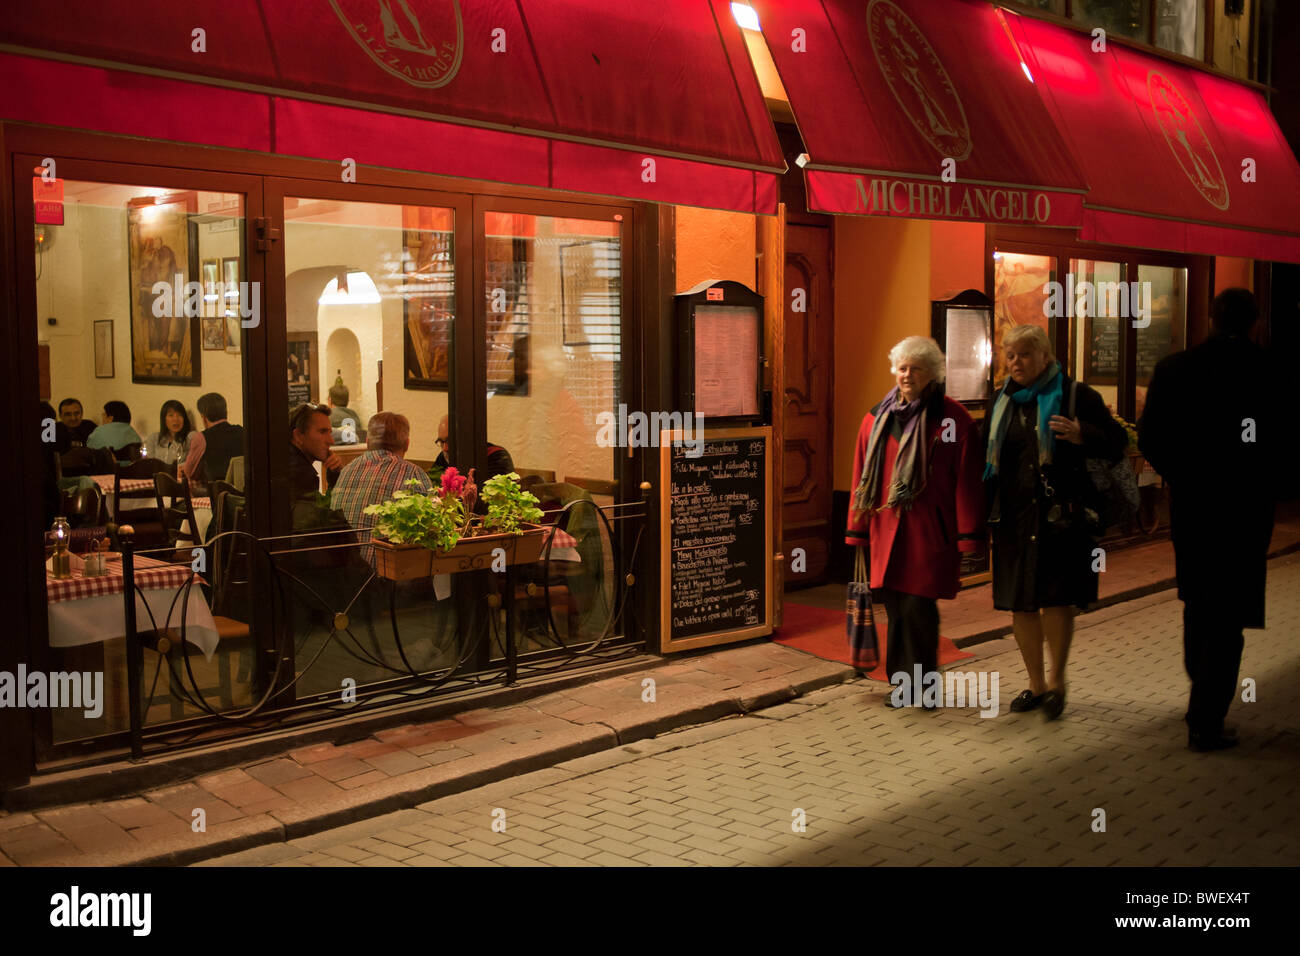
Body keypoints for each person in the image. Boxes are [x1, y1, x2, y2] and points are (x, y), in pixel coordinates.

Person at [1138, 289, 1281, 752]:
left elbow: (1151, 436)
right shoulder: (1269, 371)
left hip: (1195, 507)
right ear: (1256, 322)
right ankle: (1205, 717)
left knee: (1198, 600)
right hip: (1245, 510)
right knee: (1229, 612)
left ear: (1210, 317)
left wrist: (1180, 474)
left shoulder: (1176, 368)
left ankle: (1200, 691)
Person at [984, 325, 1128, 720]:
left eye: (1024, 355)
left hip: (1061, 519)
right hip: (1014, 520)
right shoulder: (1002, 401)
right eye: (1010, 355)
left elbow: (1118, 442)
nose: (1015, 363)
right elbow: (990, 462)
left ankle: (1058, 681)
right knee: (1021, 604)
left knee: (1056, 600)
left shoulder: (1076, 395)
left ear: (1044, 356)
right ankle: (1036, 684)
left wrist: (1084, 435)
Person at [846, 336, 985, 708]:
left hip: (929, 533)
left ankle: (923, 687)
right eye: (902, 367)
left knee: (918, 609)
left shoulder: (953, 420)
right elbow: (861, 475)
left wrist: (968, 538)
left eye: (916, 368)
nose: (907, 375)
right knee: (895, 608)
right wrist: (856, 530)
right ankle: (901, 683)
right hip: (885, 531)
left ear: (933, 374)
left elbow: (966, 482)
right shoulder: (876, 418)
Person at [332, 412, 433, 558]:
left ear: (367, 442)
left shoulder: (347, 470)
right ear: (407, 444)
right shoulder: (413, 475)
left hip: (342, 574)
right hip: (384, 575)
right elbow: (431, 533)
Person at [181, 392, 246, 487]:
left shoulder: (201, 438)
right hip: (241, 494)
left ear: (203, 417)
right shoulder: (242, 431)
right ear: (226, 413)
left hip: (215, 494)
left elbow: (189, 473)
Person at [431, 414, 514, 485]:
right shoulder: (443, 457)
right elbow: (431, 486)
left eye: (451, 441)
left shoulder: (496, 457)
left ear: (469, 437)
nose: (445, 448)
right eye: (441, 442)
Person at [290, 402, 343, 498]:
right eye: (322, 432)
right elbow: (328, 510)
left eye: (330, 433)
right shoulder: (299, 475)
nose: (331, 441)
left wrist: (335, 473)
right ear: (298, 436)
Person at [144, 399, 195, 467]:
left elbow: (192, 463)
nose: (176, 419)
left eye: (179, 415)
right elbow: (150, 464)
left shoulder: (191, 438)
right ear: (164, 419)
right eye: (171, 415)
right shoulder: (153, 439)